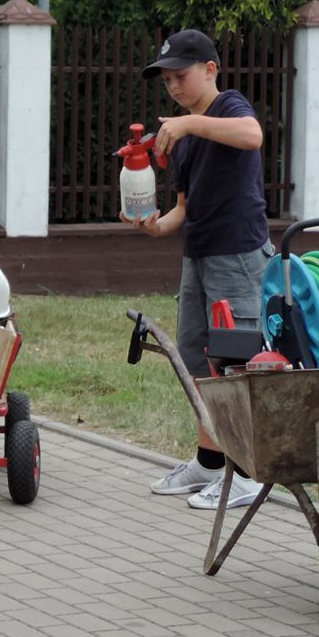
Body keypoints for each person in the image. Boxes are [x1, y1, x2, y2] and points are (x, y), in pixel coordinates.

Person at [127, 29, 272, 510]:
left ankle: (248, 474)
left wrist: (191, 124)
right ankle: (209, 464)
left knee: (236, 362)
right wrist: (155, 226)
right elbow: (184, 209)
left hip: (238, 255)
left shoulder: (229, 107)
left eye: (180, 76)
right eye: (166, 79)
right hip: (199, 255)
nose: (173, 86)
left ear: (210, 70)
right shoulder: (183, 136)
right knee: (199, 362)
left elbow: (253, 136)